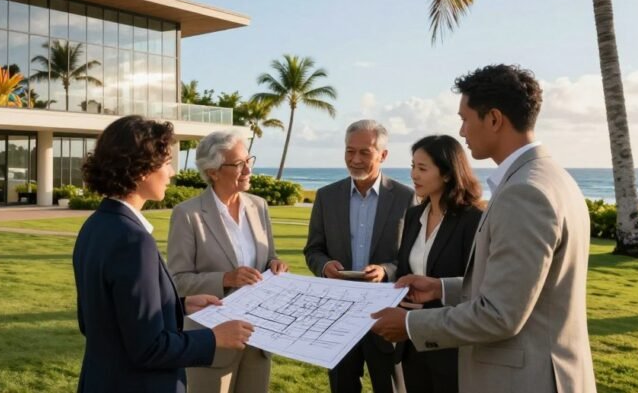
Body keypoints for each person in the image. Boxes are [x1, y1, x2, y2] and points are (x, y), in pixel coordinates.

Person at [370, 64, 597, 393]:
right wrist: (441, 288)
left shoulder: (525, 192)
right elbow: (524, 290)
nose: (461, 131)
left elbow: (500, 314)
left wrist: (408, 324)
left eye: (465, 118)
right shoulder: (553, 177)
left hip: (523, 380)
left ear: (493, 119)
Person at [73, 115, 254, 393]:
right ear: (141, 169)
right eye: (167, 163)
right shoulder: (133, 241)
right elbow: (150, 348)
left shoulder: (94, 226)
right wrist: (215, 338)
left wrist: (177, 305)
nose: (172, 173)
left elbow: (99, 319)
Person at [167, 129, 290, 393]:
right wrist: (226, 278)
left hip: (258, 338)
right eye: (238, 164)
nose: (248, 170)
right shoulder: (187, 215)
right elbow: (176, 282)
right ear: (213, 171)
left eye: (249, 161)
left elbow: (268, 258)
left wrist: (275, 265)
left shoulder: (259, 206)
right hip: (211, 342)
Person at [304, 119, 414, 393]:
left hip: (386, 313)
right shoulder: (326, 197)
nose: (355, 159)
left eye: (364, 152)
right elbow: (313, 250)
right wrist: (325, 265)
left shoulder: (406, 197)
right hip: (338, 316)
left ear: (383, 155)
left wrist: (386, 271)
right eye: (349, 151)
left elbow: (413, 258)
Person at [394, 135, 484, 393]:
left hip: (452, 347)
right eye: (412, 166)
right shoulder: (413, 215)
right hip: (412, 342)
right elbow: (404, 272)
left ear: (447, 173)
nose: (414, 175)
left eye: (422, 168)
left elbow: (475, 285)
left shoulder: (473, 220)